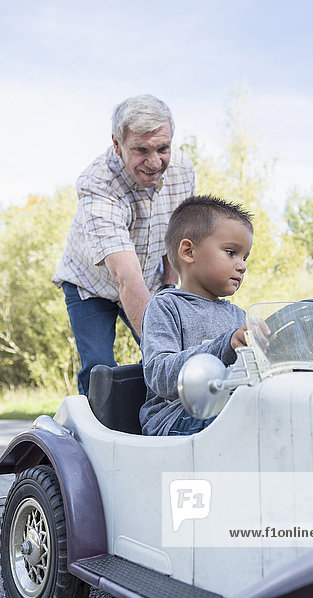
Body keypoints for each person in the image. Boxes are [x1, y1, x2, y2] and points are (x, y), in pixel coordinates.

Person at [52, 95, 195, 396]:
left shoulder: (182, 170)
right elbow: (125, 276)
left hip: (151, 280)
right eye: (141, 150)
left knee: (170, 356)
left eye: (163, 148)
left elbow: (178, 234)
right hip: (92, 285)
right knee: (100, 368)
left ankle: (156, 426)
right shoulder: (97, 184)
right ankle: (94, 436)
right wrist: (160, 343)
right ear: (117, 145)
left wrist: (170, 285)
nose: (155, 163)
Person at [140, 195, 254, 436]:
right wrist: (225, 346)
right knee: (240, 422)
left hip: (228, 409)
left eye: (244, 258)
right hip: (175, 418)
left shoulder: (239, 316)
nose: (242, 265)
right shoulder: (165, 307)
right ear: (189, 251)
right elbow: (160, 375)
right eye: (231, 252)